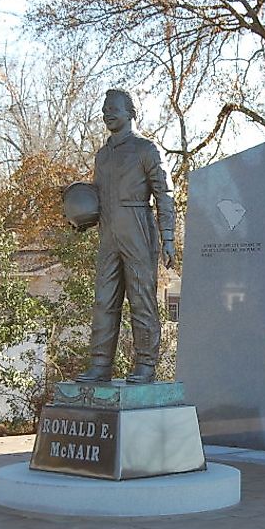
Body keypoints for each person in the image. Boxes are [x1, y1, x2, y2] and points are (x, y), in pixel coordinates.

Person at [75, 89, 175, 384]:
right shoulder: (103, 155)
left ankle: (145, 364)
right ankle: (100, 364)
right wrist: (79, 216)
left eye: (113, 107)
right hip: (108, 232)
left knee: (142, 298)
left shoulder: (147, 149)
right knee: (104, 300)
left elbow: (165, 194)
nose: (107, 112)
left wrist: (168, 236)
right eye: (104, 108)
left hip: (137, 226)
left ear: (131, 111)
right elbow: (95, 198)